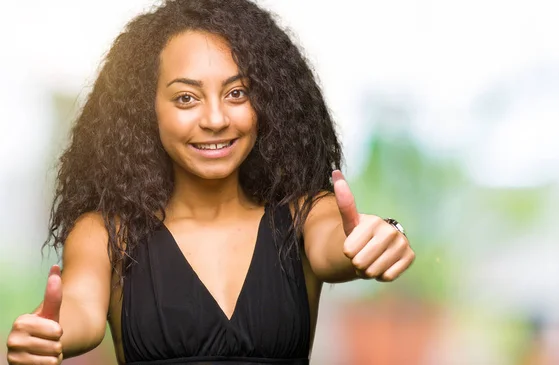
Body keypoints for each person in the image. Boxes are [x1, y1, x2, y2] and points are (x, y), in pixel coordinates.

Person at [6, 0, 415, 364]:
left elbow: (340, 247)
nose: (216, 119)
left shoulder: (305, 216)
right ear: (147, 111)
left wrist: (382, 236)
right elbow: (79, 310)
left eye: (237, 93)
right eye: (186, 98)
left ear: (266, 102)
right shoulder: (105, 233)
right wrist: (49, 334)